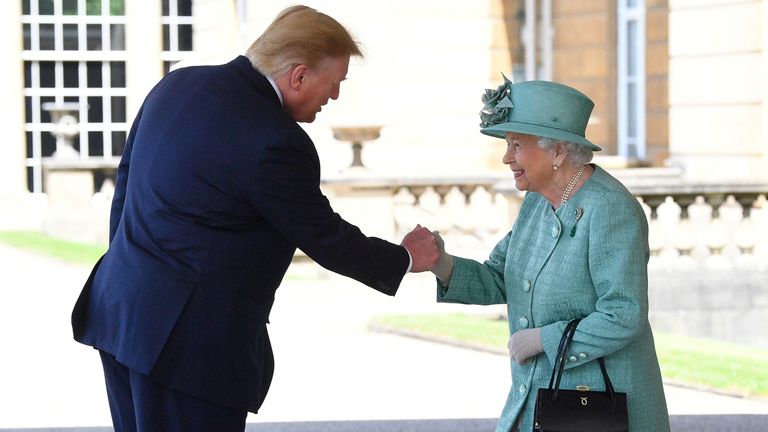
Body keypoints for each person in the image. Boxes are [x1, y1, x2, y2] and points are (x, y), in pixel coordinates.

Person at [71, 5, 439, 431]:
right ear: (298, 75)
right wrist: (405, 258)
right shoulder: (278, 141)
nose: (334, 96)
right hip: (188, 351)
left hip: (120, 312)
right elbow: (324, 237)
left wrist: (131, 269)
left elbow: (127, 183)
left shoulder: (177, 84)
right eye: (334, 84)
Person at [424, 77, 671, 431]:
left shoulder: (610, 209)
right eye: (508, 144)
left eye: (516, 145)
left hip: (597, 406)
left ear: (557, 151)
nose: (507, 157)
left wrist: (543, 339)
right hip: (541, 400)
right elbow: (500, 275)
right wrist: (441, 263)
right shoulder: (537, 202)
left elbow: (623, 314)